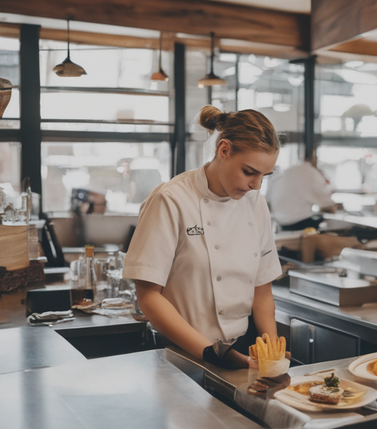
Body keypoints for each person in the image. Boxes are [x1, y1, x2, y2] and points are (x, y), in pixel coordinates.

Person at [123, 105, 284, 369]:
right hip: (180, 353)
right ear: (224, 150)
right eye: (249, 172)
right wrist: (211, 353)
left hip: (240, 350)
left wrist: (271, 352)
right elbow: (149, 295)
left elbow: (262, 290)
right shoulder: (172, 199)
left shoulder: (255, 203)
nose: (256, 185)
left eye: (264, 176)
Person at [265, 155, 337, 231]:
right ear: (314, 159)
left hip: (281, 223)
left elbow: (268, 202)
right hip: (300, 224)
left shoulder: (287, 172)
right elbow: (331, 208)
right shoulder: (309, 173)